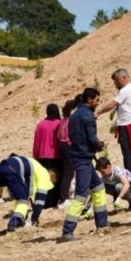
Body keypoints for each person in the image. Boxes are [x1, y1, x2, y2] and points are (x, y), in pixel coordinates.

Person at [62, 87, 108, 241]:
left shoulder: (74, 115)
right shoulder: (88, 116)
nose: (97, 103)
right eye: (96, 100)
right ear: (89, 100)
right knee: (81, 195)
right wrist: (100, 145)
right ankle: (67, 231)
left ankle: (102, 224)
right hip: (83, 159)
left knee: (98, 188)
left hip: (80, 157)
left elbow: (71, 135)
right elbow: (92, 138)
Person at [95, 69, 131, 175]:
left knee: (127, 153)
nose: (115, 83)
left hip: (127, 124)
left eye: (116, 80)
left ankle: (130, 176)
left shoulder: (126, 90)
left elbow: (112, 104)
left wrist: (98, 112)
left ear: (124, 77)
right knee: (130, 152)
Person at [0, 154, 55, 231]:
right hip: (12, 171)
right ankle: (12, 223)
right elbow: (40, 200)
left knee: (20, 198)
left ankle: (20, 221)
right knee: (23, 202)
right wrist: (34, 218)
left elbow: (25, 192)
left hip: (2, 167)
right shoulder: (44, 175)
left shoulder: (37, 167)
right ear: (51, 177)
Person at [52, 98, 78, 205]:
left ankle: (64, 196)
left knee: (66, 172)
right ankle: (64, 198)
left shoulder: (63, 120)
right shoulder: (72, 120)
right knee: (69, 173)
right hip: (68, 146)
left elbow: (58, 135)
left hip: (61, 145)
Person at [32, 104, 62, 176]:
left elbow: (36, 142)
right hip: (55, 155)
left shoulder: (40, 124)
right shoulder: (59, 123)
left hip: (41, 156)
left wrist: (35, 156)